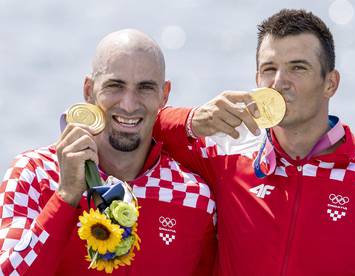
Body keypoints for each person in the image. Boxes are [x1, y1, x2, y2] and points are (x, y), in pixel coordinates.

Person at [154, 9, 355, 275]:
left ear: (331, 83)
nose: (279, 82)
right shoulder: (224, 157)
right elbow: (138, 128)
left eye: (298, 68)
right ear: (257, 81)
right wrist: (192, 120)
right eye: (269, 69)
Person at [0, 29, 216, 275]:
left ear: (164, 95)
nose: (129, 104)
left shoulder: (196, 197)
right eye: (115, 85)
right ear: (89, 90)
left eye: (145, 88)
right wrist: (66, 196)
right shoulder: (33, 175)